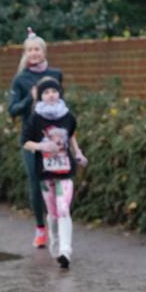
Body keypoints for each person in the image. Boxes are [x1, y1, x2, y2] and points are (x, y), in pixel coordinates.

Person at [21, 77, 86, 269]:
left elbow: (71, 135)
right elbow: (25, 142)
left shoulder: (67, 115)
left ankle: (65, 251)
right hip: (45, 171)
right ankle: (55, 238)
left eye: (54, 91)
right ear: (41, 96)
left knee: (64, 208)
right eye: (46, 92)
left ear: (60, 93)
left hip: (65, 169)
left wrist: (78, 153)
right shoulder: (35, 118)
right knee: (52, 211)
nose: (51, 95)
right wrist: (42, 146)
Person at [9, 28, 63, 249]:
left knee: (57, 181)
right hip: (31, 139)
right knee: (36, 181)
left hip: (54, 137)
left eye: (37, 49)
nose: (34, 53)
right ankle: (40, 227)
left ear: (43, 51)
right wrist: (29, 99)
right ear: (26, 53)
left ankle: (57, 221)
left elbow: (62, 103)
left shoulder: (55, 74)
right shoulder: (21, 79)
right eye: (30, 50)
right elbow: (12, 110)